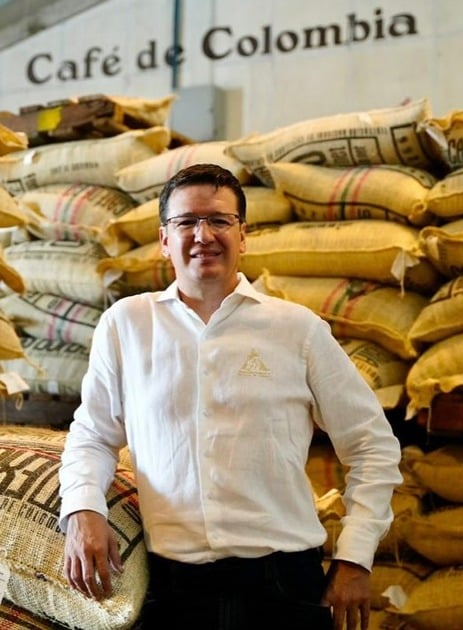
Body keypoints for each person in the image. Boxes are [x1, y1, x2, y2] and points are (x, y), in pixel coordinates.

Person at [58, 163, 404, 630]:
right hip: (170, 589)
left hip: (284, 584)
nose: (203, 235)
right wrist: (82, 509)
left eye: (220, 220)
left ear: (243, 236)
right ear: (164, 239)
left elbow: (370, 445)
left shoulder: (296, 329)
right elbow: (94, 435)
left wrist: (356, 557)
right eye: (186, 222)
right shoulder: (126, 325)